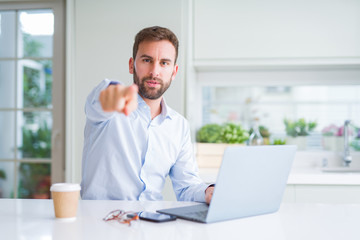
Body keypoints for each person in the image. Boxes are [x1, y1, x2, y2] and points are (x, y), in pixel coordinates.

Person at [80, 26, 214, 203]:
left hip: (150, 223)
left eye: (164, 63)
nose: (154, 72)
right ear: (131, 65)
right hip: (101, 222)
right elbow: (99, 101)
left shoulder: (179, 126)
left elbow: (187, 187)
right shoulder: (108, 108)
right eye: (146, 60)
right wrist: (113, 94)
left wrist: (208, 192)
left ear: (174, 72)